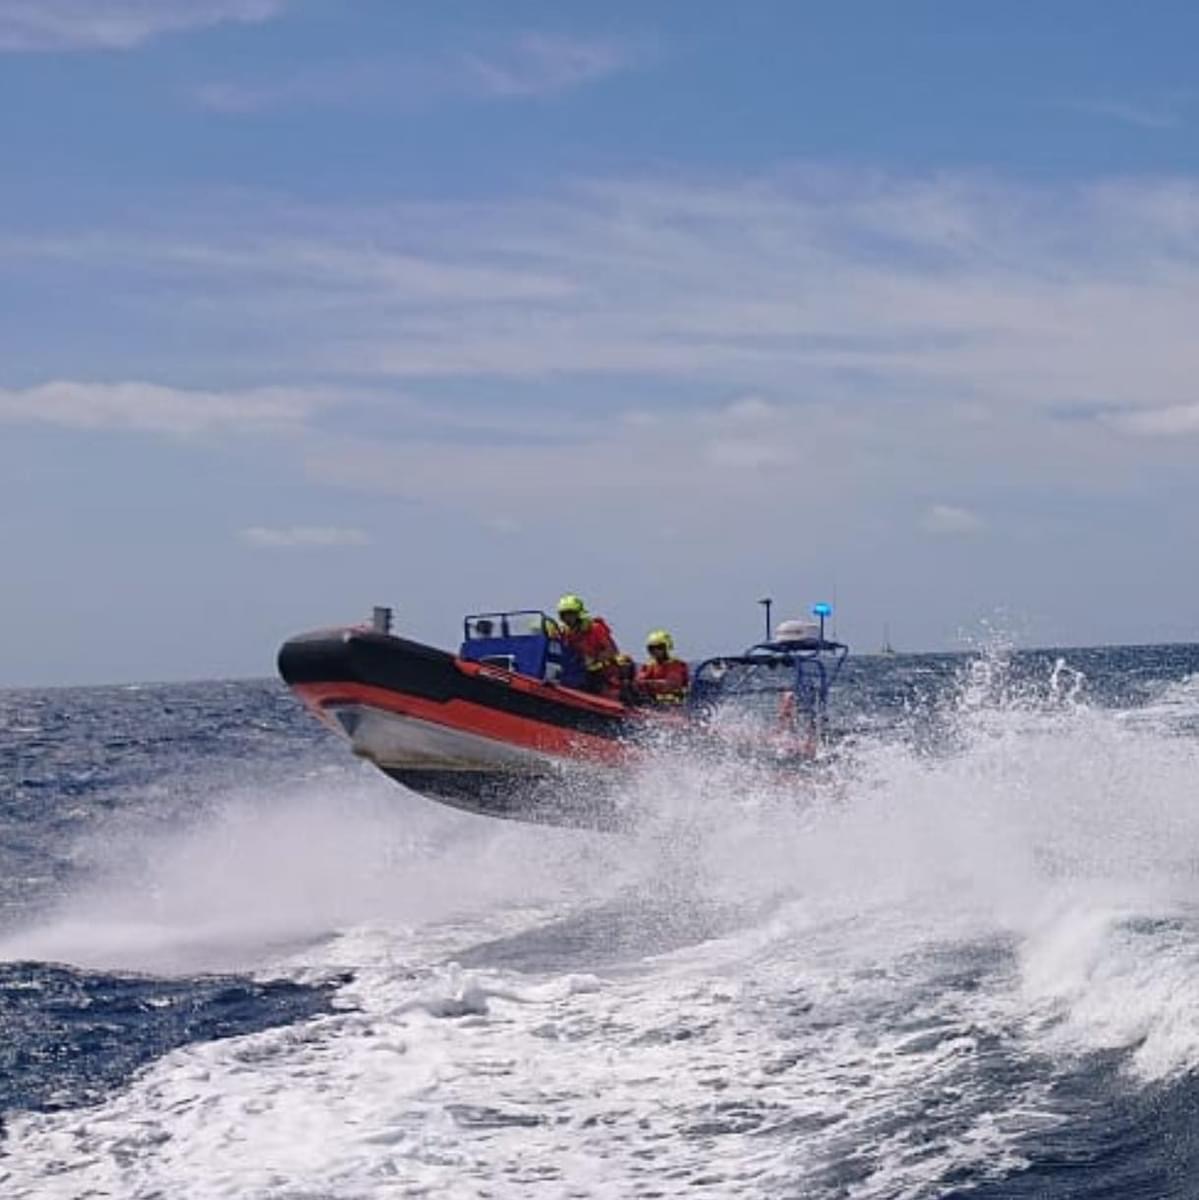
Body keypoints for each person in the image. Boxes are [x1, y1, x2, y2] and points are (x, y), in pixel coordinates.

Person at [555, 594, 622, 696]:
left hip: (601, 673)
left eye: (570, 614)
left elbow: (612, 651)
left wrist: (594, 659)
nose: (567, 618)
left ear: (578, 614)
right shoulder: (565, 632)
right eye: (564, 615)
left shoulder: (595, 629)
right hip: (576, 673)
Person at [636, 629, 689, 703]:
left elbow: (672, 684)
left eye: (659, 647)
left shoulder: (677, 664)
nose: (655, 651)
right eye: (652, 648)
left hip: (673, 703)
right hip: (652, 702)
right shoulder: (648, 666)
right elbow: (639, 681)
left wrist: (650, 684)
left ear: (667, 648)